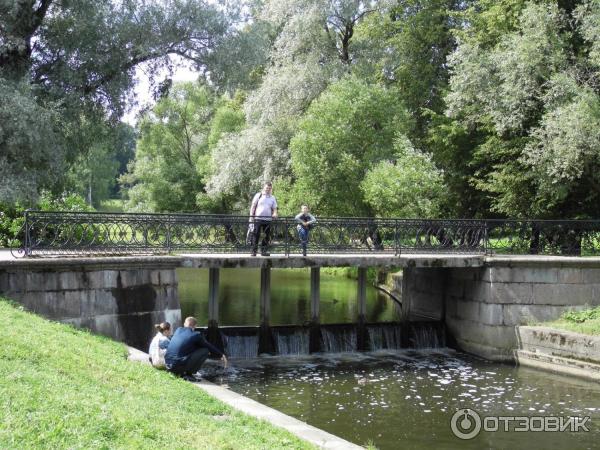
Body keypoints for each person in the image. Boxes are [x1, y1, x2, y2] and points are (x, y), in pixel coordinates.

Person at [249, 181, 278, 256]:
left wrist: (275, 213)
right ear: (264, 187)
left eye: (269, 188)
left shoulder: (272, 197)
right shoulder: (258, 195)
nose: (268, 189)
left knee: (266, 235)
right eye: (266, 188)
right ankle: (253, 251)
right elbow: (253, 206)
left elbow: (274, 208)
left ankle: (263, 251)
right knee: (256, 235)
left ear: (271, 189)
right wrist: (251, 216)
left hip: (268, 219)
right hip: (257, 218)